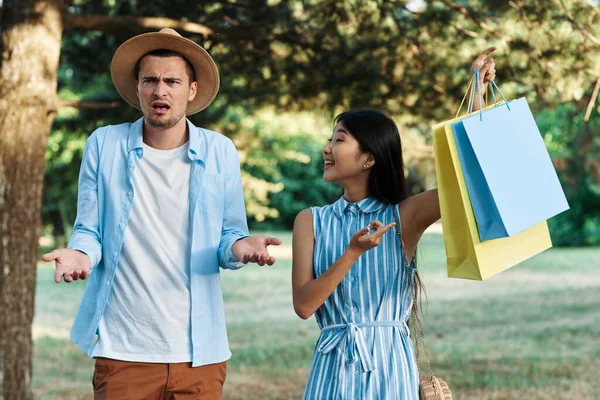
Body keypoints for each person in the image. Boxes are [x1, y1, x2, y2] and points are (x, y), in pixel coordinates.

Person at [42, 28, 281, 399]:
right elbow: (89, 229)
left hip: (200, 354)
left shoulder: (220, 151)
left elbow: (228, 237)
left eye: (172, 80)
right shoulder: (103, 145)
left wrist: (240, 248)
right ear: (137, 88)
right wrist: (79, 254)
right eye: (150, 80)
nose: (160, 90)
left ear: (192, 89)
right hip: (123, 351)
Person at [291, 48, 497, 399]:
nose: (327, 148)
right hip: (331, 370)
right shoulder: (310, 221)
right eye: (331, 138)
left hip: (391, 369)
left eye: (339, 139)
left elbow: (470, 177)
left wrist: (475, 95)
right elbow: (304, 305)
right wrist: (352, 253)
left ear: (369, 157)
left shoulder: (405, 216)